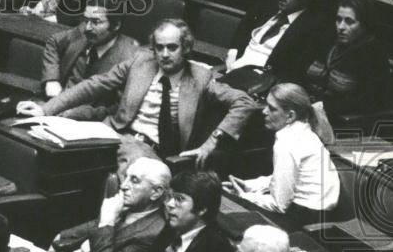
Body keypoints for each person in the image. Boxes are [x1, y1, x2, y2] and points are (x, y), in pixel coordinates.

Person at [18, 19, 258, 168]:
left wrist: (211, 143)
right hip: (114, 134)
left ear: (185, 48)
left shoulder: (201, 77)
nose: (164, 54)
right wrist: (46, 109)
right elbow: (94, 85)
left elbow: (243, 102)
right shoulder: (140, 62)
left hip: (153, 149)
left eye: (172, 47)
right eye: (159, 47)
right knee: (51, 147)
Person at [52, 156, 170, 252]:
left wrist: (106, 222)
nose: (124, 185)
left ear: (155, 192)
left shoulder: (153, 232)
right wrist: (62, 235)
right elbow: (94, 226)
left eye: (134, 181)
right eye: (125, 177)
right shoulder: (130, 207)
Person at [228, 83, 340, 222]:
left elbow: (279, 205)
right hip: (317, 212)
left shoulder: (287, 142)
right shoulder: (303, 130)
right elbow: (289, 178)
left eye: (272, 108)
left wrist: (243, 196)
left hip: (306, 216)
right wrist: (250, 185)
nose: (264, 111)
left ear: (290, 116)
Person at [227, 0, 325, 82]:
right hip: (230, 72)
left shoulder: (311, 28)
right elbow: (244, 26)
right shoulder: (269, 3)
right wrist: (232, 53)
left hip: (258, 85)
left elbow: (293, 73)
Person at [304, 0, 386, 118]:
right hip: (309, 111)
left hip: (338, 121)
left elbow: (368, 103)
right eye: (338, 20)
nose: (341, 27)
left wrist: (318, 107)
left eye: (349, 21)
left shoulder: (372, 54)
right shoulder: (329, 41)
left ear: (365, 24)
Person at [39, 0, 139, 102]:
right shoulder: (83, 32)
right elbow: (54, 42)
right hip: (54, 104)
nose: (87, 28)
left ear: (116, 25)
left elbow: (116, 107)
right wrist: (51, 79)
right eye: (86, 20)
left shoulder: (129, 55)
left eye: (96, 22)